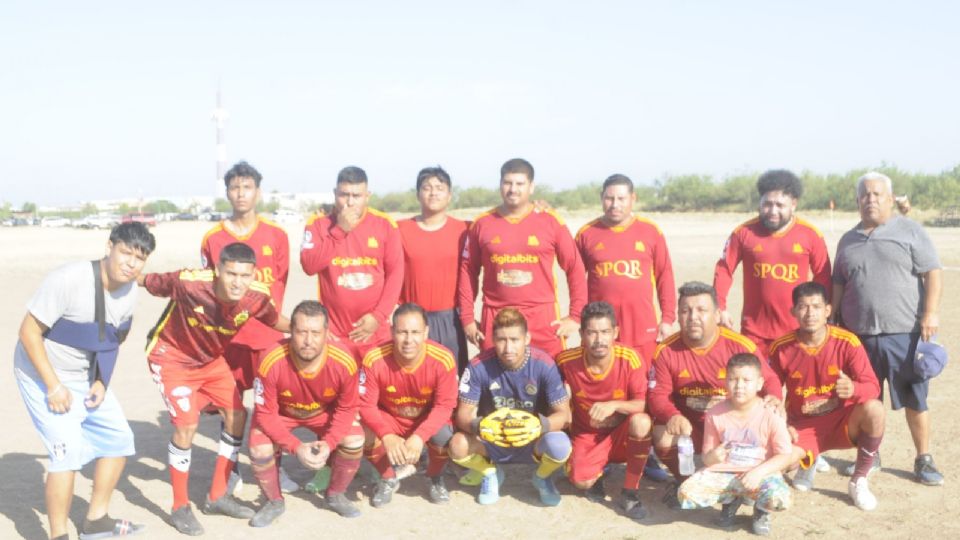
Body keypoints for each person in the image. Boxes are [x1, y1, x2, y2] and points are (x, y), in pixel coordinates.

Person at [15, 223, 155, 540]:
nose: (132, 263)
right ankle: (58, 535)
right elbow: (28, 333)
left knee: (119, 439)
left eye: (140, 258)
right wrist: (53, 386)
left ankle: (96, 521)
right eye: (126, 253)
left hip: (83, 374)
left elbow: (113, 340)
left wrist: (101, 381)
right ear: (109, 247)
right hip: (40, 370)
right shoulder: (69, 279)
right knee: (66, 452)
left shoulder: (130, 290)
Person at [141, 242, 290, 535]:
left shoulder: (256, 298)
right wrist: (108, 275)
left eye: (244, 276)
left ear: (253, 274)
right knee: (187, 426)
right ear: (217, 270)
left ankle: (217, 495)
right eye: (231, 273)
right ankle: (179, 507)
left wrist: (312, 328)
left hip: (209, 361)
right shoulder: (189, 282)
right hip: (171, 357)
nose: (237, 282)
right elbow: (147, 280)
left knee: (237, 414)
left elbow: (277, 321)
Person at [832, 171, 943, 486]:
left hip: (905, 335)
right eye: (864, 195)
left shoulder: (910, 232)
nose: (870, 200)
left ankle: (923, 459)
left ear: (890, 199)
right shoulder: (848, 240)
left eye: (877, 194)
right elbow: (838, 282)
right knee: (865, 401)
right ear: (857, 202)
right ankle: (870, 454)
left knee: (915, 399)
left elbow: (932, 272)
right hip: (859, 338)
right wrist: (833, 318)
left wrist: (930, 313)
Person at [199, 160, 295, 493]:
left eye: (247, 187)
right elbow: (209, 291)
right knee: (231, 407)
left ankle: (275, 470)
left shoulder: (277, 236)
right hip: (228, 341)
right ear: (227, 192)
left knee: (271, 408)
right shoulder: (212, 239)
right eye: (235, 187)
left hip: (268, 340)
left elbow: (280, 284)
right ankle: (231, 470)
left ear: (258, 191)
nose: (241, 193)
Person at [649, 281, 782, 504]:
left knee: (779, 431)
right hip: (692, 428)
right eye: (685, 311)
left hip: (734, 429)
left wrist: (775, 398)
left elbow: (769, 379)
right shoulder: (666, 351)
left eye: (701, 310)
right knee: (661, 434)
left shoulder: (739, 345)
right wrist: (672, 415)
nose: (692, 317)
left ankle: (748, 480)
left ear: (717, 314)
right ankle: (687, 479)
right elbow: (657, 396)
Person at [246, 301, 364, 526]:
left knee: (354, 438)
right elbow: (265, 414)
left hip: (322, 414)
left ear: (327, 334)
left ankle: (336, 494)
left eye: (315, 333)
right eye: (301, 332)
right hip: (283, 415)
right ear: (291, 331)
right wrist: (296, 447)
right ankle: (274, 502)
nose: (308, 340)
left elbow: (347, 408)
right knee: (258, 446)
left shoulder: (344, 361)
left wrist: (329, 444)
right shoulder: (270, 360)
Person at [769, 282, 885, 510]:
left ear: (828, 310)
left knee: (875, 409)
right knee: (773, 466)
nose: (810, 313)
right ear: (793, 311)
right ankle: (808, 459)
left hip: (841, 422)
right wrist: (776, 404)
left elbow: (873, 387)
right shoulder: (781, 347)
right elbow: (771, 382)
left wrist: (854, 389)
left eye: (816, 306)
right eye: (803, 307)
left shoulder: (847, 342)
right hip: (803, 426)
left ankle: (859, 479)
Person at [457, 158, 587, 359]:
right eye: (507, 183)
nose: (513, 189)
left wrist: (576, 316)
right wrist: (467, 318)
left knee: (549, 383)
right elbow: (468, 271)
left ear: (531, 187)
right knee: (496, 385)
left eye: (520, 184)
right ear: (500, 185)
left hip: (542, 318)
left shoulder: (550, 221)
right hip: (496, 317)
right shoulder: (482, 224)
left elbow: (575, 268)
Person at [448, 308, 572, 506]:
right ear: (493, 339)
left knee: (560, 445)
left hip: (533, 440)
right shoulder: (478, 365)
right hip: (493, 439)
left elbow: (565, 415)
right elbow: (462, 415)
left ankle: (541, 477)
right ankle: (490, 472)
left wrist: (539, 426)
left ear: (527, 338)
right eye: (501, 340)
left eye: (514, 339)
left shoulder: (544, 364)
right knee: (457, 445)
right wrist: (480, 427)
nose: (508, 348)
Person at [713, 169, 831, 359]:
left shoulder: (810, 235)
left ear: (793, 204)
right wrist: (720, 307)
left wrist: (821, 316)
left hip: (798, 330)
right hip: (755, 332)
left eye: (779, 205)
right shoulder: (743, 233)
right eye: (767, 204)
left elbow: (823, 277)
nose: (772, 211)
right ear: (759, 203)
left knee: (799, 388)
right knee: (756, 386)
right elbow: (724, 270)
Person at [678, 354, 794, 536]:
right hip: (725, 473)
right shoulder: (715, 413)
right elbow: (707, 458)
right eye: (733, 379)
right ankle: (730, 500)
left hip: (759, 473)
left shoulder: (771, 412)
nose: (739, 386)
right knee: (686, 492)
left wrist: (758, 472)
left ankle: (762, 510)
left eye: (747, 380)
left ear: (759, 383)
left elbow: (785, 455)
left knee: (780, 499)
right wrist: (713, 456)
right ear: (725, 382)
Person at [557, 302, 654, 520]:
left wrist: (614, 405)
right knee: (581, 482)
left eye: (605, 332)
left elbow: (641, 404)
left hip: (621, 435)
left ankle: (630, 491)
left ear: (615, 333)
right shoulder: (566, 362)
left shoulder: (630, 358)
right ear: (581, 334)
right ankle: (596, 471)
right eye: (591, 332)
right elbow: (551, 395)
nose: (599, 340)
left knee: (641, 422)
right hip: (588, 435)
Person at [359, 303, 458, 506]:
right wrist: (386, 434)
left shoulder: (443, 359)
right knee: (361, 433)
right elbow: (366, 405)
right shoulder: (374, 358)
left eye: (415, 332)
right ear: (391, 331)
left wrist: (419, 437)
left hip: (425, 418)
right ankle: (387, 477)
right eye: (402, 332)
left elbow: (444, 406)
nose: (409, 340)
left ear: (426, 333)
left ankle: (434, 476)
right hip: (392, 418)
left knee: (445, 436)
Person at [300, 165, 403, 357]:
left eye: (356, 196)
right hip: (334, 335)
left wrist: (378, 317)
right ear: (334, 193)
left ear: (367, 196)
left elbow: (396, 275)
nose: (349, 202)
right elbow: (309, 266)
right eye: (344, 194)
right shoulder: (318, 224)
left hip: (375, 332)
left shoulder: (384, 225)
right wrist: (339, 230)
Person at [575, 174, 676, 362]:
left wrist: (667, 319)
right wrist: (577, 318)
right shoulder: (586, 234)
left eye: (621, 199)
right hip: (600, 331)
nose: (615, 204)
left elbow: (665, 276)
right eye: (609, 198)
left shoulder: (651, 231)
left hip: (642, 328)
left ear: (633, 198)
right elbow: (575, 281)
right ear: (601, 198)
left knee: (644, 384)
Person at [397, 166, 471, 371]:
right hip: (411, 319)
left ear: (449, 195)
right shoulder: (399, 229)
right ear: (418, 194)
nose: (433, 192)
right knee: (411, 377)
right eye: (427, 187)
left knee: (452, 378)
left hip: (451, 321)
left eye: (439, 187)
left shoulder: (466, 229)